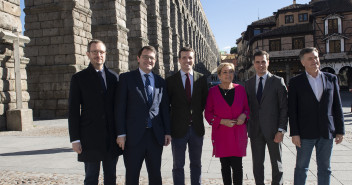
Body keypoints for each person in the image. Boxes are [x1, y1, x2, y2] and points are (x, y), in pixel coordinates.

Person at [115, 45, 171, 185]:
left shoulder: (160, 81)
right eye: (145, 57)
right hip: (133, 137)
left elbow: (164, 108)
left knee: (155, 175)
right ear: (138, 58)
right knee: (132, 175)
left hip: (155, 136)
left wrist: (167, 132)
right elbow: (120, 107)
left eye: (151, 58)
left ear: (155, 60)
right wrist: (120, 133)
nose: (148, 60)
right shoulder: (126, 78)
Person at [68, 39, 122, 185]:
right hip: (89, 137)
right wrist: (75, 139)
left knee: (111, 177)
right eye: (95, 52)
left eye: (101, 52)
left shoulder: (114, 77)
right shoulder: (78, 78)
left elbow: (119, 108)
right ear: (88, 54)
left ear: (105, 54)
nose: (98, 55)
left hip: (111, 137)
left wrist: (121, 134)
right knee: (91, 177)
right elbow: (73, 111)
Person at [288, 47, 345, 185]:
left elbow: (337, 106)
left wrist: (340, 130)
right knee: (302, 168)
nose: (314, 61)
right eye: (310, 58)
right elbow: (292, 110)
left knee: (325, 168)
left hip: (326, 131)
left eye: (316, 57)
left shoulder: (331, 78)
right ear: (303, 62)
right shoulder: (296, 82)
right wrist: (294, 133)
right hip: (305, 133)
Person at [244, 50, 288, 185]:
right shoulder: (249, 83)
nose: (260, 65)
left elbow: (284, 108)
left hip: (274, 130)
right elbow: (246, 107)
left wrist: (281, 130)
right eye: (257, 62)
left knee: (277, 163)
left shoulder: (278, 81)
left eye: (263, 62)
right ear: (253, 63)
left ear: (268, 62)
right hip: (255, 131)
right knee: (257, 164)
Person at [166, 47, 208, 185]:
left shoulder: (201, 79)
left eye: (190, 57)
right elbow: (167, 106)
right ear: (179, 60)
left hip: (196, 129)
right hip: (178, 130)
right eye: (184, 57)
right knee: (178, 165)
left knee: (196, 164)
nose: (187, 60)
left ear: (194, 60)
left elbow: (203, 102)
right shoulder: (171, 81)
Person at [205, 63, 249, 185]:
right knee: (225, 166)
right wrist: (222, 121)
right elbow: (208, 114)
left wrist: (243, 115)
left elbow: (247, 108)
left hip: (237, 134)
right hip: (222, 135)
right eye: (224, 72)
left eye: (230, 71)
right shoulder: (213, 92)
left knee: (238, 167)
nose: (228, 74)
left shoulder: (240, 89)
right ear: (219, 75)